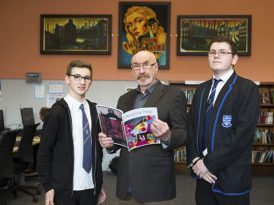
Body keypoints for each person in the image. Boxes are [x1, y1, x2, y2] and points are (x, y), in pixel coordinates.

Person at [99, 50, 187, 204]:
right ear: (132, 71)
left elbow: (183, 133)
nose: (141, 71)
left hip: (156, 184)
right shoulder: (124, 99)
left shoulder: (174, 95)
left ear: (156, 68)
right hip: (127, 183)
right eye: (136, 66)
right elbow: (121, 136)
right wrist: (110, 144)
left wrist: (167, 135)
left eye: (146, 65)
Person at [186, 36, 260, 205]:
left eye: (223, 52)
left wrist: (208, 164)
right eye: (212, 52)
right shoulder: (201, 90)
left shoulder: (247, 89)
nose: (216, 56)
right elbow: (190, 128)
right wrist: (196, 161)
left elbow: (242, 136)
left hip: (231, 177)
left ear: (234, 59)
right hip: (202, 177)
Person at [37, 60, 106, 205]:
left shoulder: (95, 111)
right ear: (67, 79)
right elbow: (44, 152)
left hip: (90, 187)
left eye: (87, 78)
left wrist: (98, 183)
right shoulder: (57, 112)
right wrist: (48, 186)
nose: (82, 82)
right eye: (77, 77)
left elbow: (97, 151)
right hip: (64, 189)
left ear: (91, 81)